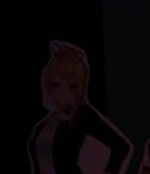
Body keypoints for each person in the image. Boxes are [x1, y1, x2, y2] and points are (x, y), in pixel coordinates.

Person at [28, 41, 131, 173]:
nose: (62, 92)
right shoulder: (46, 123)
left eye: (72, 86)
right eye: (56, 85)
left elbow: (121, 147)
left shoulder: (82, 114)